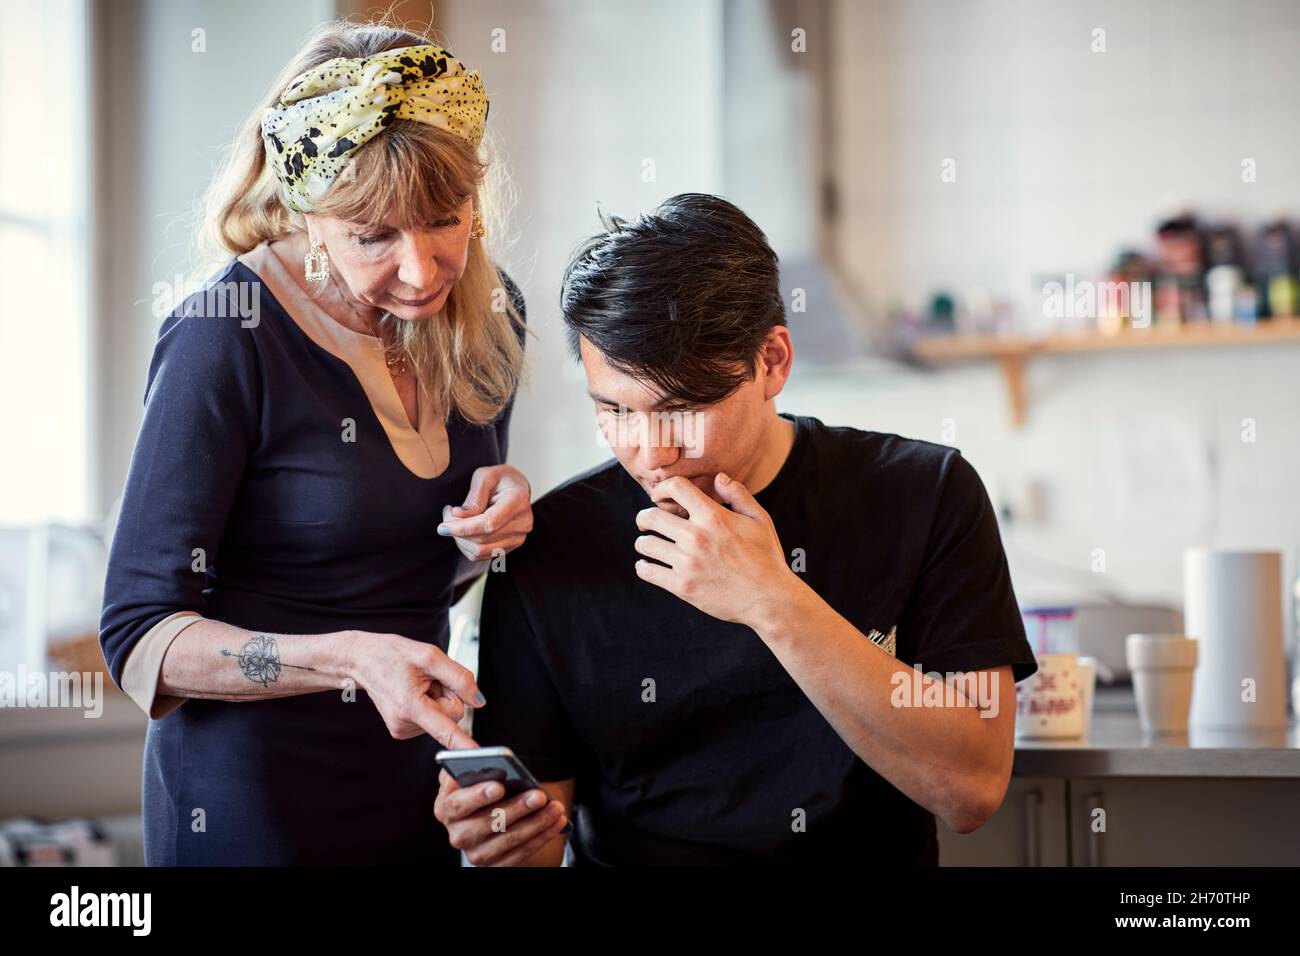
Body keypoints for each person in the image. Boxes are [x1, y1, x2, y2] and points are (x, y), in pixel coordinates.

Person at [435, 193, 1039, 866]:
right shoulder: (551, 546)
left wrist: (772, 602)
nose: (650, 452)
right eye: (614, 410)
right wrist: (497, 841)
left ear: (773, 361)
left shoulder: (926, 493)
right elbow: (536, 837)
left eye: (681, 410)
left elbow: (973, 790)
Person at [99, 21, 531, 865]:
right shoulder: (226, 336)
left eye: (446, 218)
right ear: (307, 213)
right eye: (373, 234)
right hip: (248, 801)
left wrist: (494, 525)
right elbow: (140, 637)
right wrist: (345, 659)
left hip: (421, 784)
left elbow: (418, 564)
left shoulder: (488, 315)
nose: (422, 268)